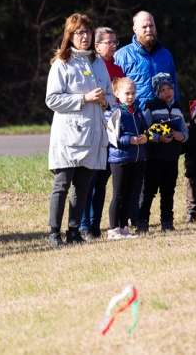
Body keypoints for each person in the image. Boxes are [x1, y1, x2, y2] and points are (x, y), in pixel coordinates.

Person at [45, 13, 115, 248]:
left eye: (87, 32)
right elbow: (52, 100)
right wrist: (84, 98)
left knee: (83, 186)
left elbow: (111, 96)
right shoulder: (61, 63)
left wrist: (105, 101)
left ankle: (73, 231)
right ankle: (54, 233)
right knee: (62, 185)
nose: (84, 36)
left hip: (94, 133)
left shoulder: (98, 63)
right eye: (79, 32)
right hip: (68, 135)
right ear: (70, 36)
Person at [113, 11, 179, 228]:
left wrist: (176, 117)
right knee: (135, 174)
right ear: (134, 30)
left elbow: (174, 89)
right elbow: (115, 89)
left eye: (151, 25)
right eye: (144, 26)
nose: (149, 29)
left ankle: (154, 218)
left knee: (159, 175)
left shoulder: (166, 55)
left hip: (162, 125)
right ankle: (133, 219)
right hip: (134, 123)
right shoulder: (123, 56)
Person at [80, 27, 123, 240]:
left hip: (113, 130)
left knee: (102, 180)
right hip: (95, 127)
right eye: (109, 42)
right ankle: (84, 225)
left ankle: (96, 225)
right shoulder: (90, 66)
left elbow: (118, 98)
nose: (114, 46)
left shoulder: (117, 68)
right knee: (90, 179)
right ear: (96, 46)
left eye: (116, 42)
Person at [137, 73, 188, 233]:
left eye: (169, 88)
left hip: (172, 158)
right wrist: (158, 138)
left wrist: (182, 136)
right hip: (154, 158)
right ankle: (142, 222)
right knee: (148, 191)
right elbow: (143, 130)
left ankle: (167, 222)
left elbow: (185, 130)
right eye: (163, 90)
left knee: (168, 191)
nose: (167, 92)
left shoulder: (178, 107)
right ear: (157, 92)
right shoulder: (151, 106)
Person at [104, 77, 147, 240]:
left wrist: (145, 137)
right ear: (116, 93)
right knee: (119, 195)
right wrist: (129, 140)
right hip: (120, 159)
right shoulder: (114, 112)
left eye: (133, 93)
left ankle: (124, 228)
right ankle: (113, 230)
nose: (131, 96)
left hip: (136, 158)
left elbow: (145, 129)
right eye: (127, 93)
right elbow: (112, 137)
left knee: (130, 194)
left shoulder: (137, 111)